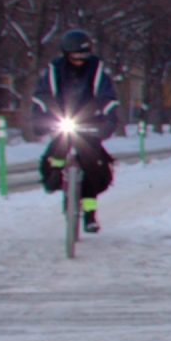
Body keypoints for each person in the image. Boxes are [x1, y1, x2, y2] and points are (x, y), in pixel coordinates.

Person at [30, 29, 123, 232]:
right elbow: (43, 95)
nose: (79, 60)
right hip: (63, 117)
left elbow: (107, 97)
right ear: (66, 54)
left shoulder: (97, 70)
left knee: (94, 164)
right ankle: (54, 176)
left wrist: (108, 119)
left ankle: (90, 213)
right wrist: (40, 118)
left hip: (89, 122)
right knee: (54, 153)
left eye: (83, 56)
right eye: (75, 56)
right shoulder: (55, 70)